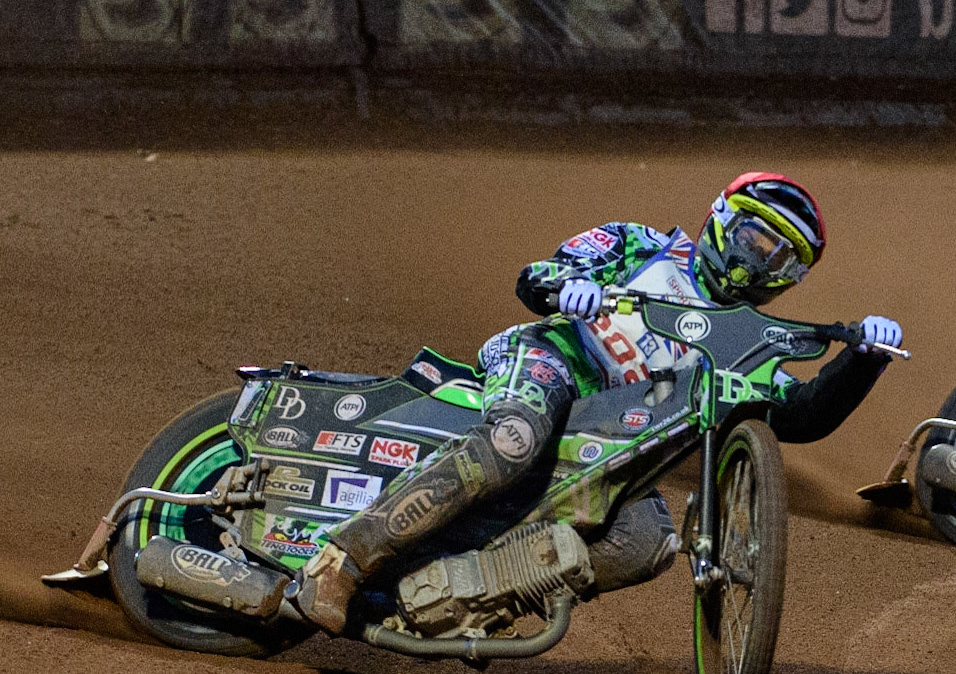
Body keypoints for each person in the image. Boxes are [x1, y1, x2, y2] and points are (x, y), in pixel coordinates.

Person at [294, 173, 903, 633]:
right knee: (514, 441)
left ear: (792, 277)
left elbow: (802, 416)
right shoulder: (641, 245)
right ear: (721, 220)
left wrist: (864, 359)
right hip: (553, 362)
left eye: (779, 257)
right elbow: (537, 275)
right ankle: (342, 560)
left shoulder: (749, 347)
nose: (757, 261)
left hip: (611, 443)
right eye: (753, 238)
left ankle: (447, 600)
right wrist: (571, 286)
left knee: (645, 539)